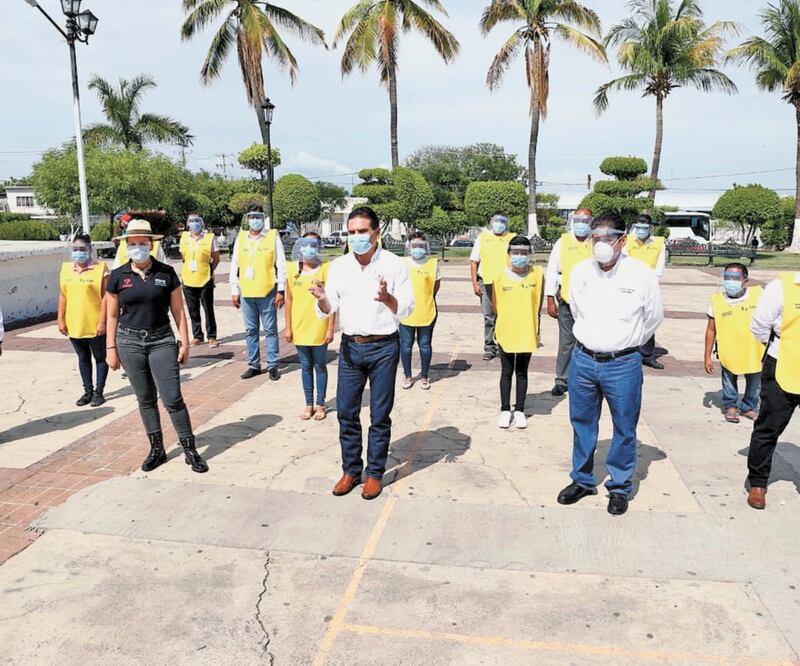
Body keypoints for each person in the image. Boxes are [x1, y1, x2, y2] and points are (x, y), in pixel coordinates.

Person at [556, 212, 664, 516]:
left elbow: (654, 317)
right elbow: (575, 310)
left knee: (624, 427)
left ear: (622, 240)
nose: (601, 243)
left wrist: (624, 343)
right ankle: (582, 479)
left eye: (607, 237)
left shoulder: (640, 274)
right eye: (596, 237)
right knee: (582, 423)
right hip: (583, 361)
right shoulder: (580, 272)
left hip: (623, 364)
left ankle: (619, 486)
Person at [311, 206, 414, 501]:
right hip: (351, 348)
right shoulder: (339, 266)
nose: (356, 237)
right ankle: (351, 470)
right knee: (345, 411)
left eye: (361, 232)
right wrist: (321, 300)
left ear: (376, 233)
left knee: (379, 415)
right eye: (351, 232)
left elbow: (407, 308)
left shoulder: (394, 265)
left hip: (384, 347)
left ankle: (374, 474)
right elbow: (328, 309)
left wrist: (387, 298)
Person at [105, 220, 208, 474]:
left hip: (161, 340)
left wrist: (184, 342)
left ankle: (189, 449)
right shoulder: (118, 276)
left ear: (151, 244)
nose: (138, 247)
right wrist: (110, 349)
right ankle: (157, 449)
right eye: (133, 244)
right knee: (146, 399)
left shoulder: (166, 273)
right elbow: (112, 315)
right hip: (129, 342)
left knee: (172, 397)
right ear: (126, 246)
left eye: (142, 243)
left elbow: (178, 311)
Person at [744, 270, 800, 510]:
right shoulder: (781, 287)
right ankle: (758, 482)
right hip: (783, 365)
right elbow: (759, 326)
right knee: (768, 427)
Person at [491, 236, 544, 430]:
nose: (520, 256)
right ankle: (505, 409)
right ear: (509, 254)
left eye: (524, 253)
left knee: (522, 372)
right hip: (506, 330)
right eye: (516, 253)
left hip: (526, 331)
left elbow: (537, 304)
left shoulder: (537, 274)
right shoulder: (499, 276)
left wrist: (536, 330)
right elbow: (495, 305)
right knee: (506, 372)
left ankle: (520, 410)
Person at [230, 205, 287, 381]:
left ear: (263, 218)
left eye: (258, 216)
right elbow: (235, 264)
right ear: (247, 218)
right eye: (252, 216)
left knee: (270, 330)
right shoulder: (241, 238)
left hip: (267, 291)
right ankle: (254, 365)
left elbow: (281, 263)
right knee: (250, 330)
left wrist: (281, 289)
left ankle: (272, 365)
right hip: (247, 292)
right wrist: (234, 289)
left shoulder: (272, 236)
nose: (255, 220)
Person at [284, 233, 336, 421]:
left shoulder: (326, 269)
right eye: (305, 244)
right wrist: (288, 327)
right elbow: (289, 300)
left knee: (320, 366)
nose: (308, 249)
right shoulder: (292, 270)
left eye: (313, 245)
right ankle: (308, 404)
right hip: (299, 326)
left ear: (319, 247)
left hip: (319, 326)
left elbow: (331, 301)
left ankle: (320, 404)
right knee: (305, 366)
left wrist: (330, 328)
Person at [704, 264, 764, 424]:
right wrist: (707, 356)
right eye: (727, 277)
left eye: (735, 278)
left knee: (755, 381)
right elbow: (711, 330)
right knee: (729, 380)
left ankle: (748, 407)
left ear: (746, 281)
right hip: (728, 349)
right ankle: (730, 406)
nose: (731, 281)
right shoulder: (717, 301)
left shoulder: (759, 296)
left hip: (754, 350)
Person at [544, 208, 594, 396]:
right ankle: (562, 380)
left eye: (586, 220)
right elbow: (552, 271)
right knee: (566, 342)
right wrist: (550, 298)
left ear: (591, 222)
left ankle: (585, 380)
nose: (582, 224)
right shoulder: (562, 242)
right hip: (566, 301)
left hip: (590, 303)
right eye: (578, 219)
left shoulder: (596, 242)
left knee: (588, 341)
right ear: (573, 221)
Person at [57, 233, 110, 407]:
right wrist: (60, 319)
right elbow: (63, 295)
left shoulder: (101, 269)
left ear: (90, 250)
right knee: (82, 358)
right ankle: (87, 391)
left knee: (100, 358)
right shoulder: (66, 269)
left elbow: (106, 297)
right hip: (75, 323)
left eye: (82, 249)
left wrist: (103, 321)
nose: (79, 252)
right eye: (76, 249)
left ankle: (99, 392)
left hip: (95, 323)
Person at [625, 214, 667, 370]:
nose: (641, 231)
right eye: (638, 227)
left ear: (650, 228)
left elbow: (660, 265)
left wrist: (651, 282)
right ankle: (629, 350)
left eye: (644, 228)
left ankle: (647, 355)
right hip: (629, 284)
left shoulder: (658, 243)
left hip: (650, 286)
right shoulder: (627, 240)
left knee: (649, 318)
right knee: (629, 317)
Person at [470, 214, 514, 360]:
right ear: (491, 223)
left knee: (504, 316)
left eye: (503, 222)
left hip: (506, 284)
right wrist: (475, 283)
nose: (499, 224)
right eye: (497, 221)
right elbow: (474, 262)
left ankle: (503, 345)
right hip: (486, 283)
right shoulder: (482, 238)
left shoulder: (511, 238)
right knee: (489, 316)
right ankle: (489, 346)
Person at [400, 232, 441, 390]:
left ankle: (424, 375)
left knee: (425, 345)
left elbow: (435, 286)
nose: (417, 249)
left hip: (426, 310)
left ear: (426, 247)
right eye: (414, 246)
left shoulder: (432, 263)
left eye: (421, 246)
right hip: (406, 311)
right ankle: (408, 375)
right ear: (408, 246)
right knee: (406, 346)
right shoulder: (402, 263)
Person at [179, 213, 220, 348]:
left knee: (208, 308)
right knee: (192, 309)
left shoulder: (209, 238)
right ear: (188, 224)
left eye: (197, 221)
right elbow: (183, 256)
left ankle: (212, 336)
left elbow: (216, 258)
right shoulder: (184, 237)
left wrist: (209, 269)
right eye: (191, 221)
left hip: (205, 278)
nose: (194, 223)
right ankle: (197, 336)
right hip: (188, 278)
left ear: (202, 223)